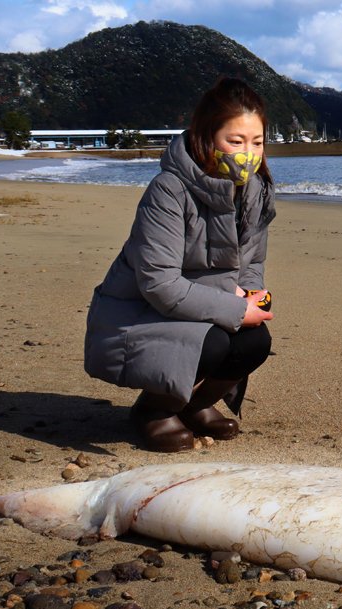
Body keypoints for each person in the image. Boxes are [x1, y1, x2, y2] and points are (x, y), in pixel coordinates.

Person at [84, 78, 277, 452]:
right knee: (216, 341)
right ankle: (153, 412)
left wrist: (252, 296)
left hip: (198, 307)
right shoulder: (168, 190)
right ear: (207, 137)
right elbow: (158, 284)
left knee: (255, 341)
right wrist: (236, 306)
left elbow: (252, 260)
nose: (248, 153)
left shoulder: (254, 192)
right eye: (235, 141)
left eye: (257, 142)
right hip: (137, 316)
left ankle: (194, 405)